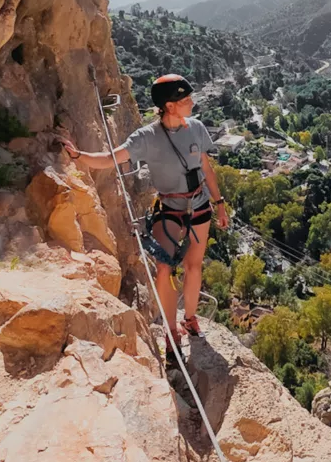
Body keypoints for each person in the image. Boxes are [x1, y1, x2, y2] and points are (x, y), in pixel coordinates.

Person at [62, 74, 228, 359]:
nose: (192, 102)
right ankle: (171, 331)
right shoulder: (147, 138)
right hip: (171, 209)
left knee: (194, 266)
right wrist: (79, 157)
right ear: (170, 105)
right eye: (185, 99)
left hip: (199, 206)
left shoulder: (197, 129)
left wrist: (220, 202)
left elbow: (206, 168)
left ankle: (190, 318)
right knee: (164, 269)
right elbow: (111, 158)